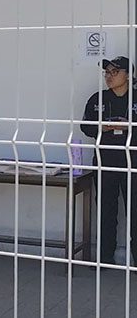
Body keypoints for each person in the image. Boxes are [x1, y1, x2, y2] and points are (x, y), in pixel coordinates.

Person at [81, 56, 137, 265]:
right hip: (105, 161)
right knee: (106, 209)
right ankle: (105, 258)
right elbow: (85, 126)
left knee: (135, 211)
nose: (109, 76)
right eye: (107, 72)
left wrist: (130, 126)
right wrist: (102, 127)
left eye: (115, 72)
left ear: (128, 76)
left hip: (133, 162)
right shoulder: (98, 98)